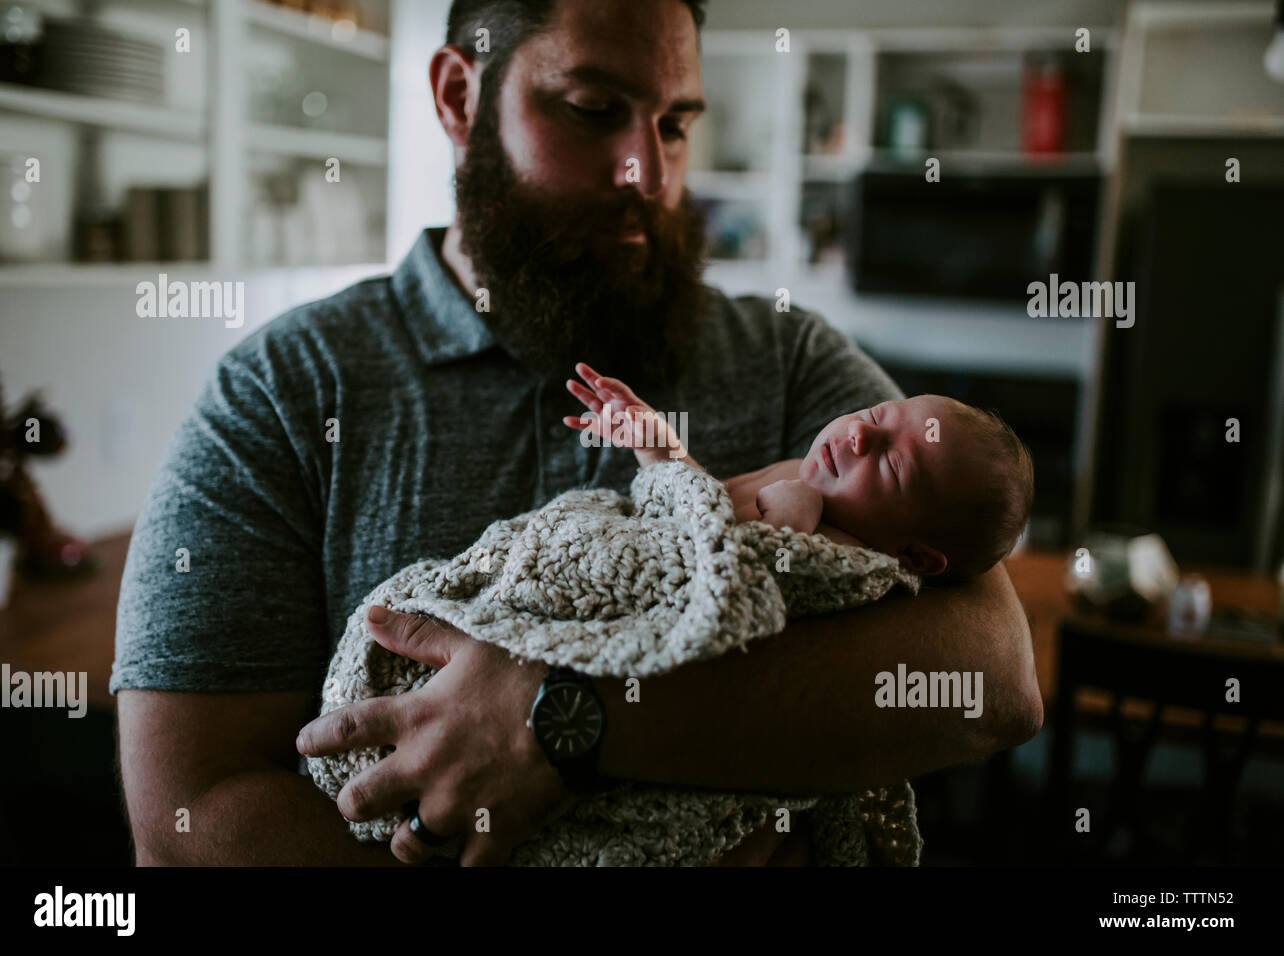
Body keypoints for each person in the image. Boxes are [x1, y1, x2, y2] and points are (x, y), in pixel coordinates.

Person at [114, 0, 1042, 867]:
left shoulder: (789, 357)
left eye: (676, 123)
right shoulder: (278, 393)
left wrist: (563, 718)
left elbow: (995, 672)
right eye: (594, 109)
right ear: (457, 95)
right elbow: (187, 817)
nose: (653, 173)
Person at [563, 362, 1035, 581]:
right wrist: (658, 448)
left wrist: (785, 529)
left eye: (891, 464)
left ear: (914, 557)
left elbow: (727, 578)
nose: (859, 436)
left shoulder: (848, 559)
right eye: (874, 415)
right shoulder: (805, 474)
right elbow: (697, 503)